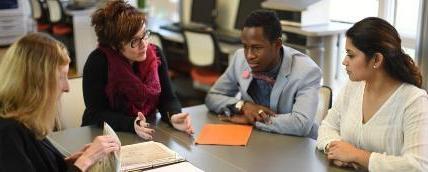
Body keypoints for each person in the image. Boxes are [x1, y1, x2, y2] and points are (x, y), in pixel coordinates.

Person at [316, 17, 428, 171]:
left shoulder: (414, 100)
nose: (344, 61)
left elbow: (418, 166)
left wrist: (357, 156)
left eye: (351, 55)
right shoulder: (353, 87)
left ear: (376, 59)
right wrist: (336, 149)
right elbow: (327, 127)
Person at [0, 33, 120, 171]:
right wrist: (86, 160)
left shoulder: (25, 120)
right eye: (61, 77)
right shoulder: (6, 134)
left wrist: (71, 162)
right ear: (37, 82)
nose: (67, 87)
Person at [81, 0, 193, 140]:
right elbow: (96, 113)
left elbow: (168, 98)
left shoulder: (155, 54)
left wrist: (173, 115)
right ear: (115, 45)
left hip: (146, 133)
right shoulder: (98, 62)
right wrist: (131, 124)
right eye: (134, 41)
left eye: (144, 35)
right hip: (104, 136)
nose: (144, 44)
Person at [205, 10, 322, 138]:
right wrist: (244, 106)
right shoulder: (239, 58)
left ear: (277, 44)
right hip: (257, 140)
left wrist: (254, 119)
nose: (249, 55)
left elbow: (301, 124)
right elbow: (213, 96)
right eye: (245, 46)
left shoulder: (307, 71)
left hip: (295, 145)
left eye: (257, 48)